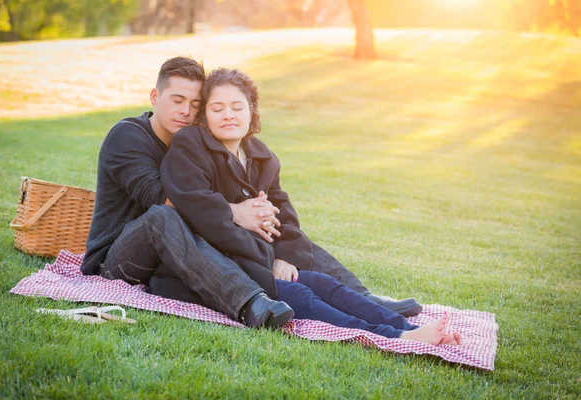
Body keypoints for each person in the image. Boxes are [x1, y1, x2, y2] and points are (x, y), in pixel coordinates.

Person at [81, 56, 421, 330]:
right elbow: (168, 200)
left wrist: (262, 222)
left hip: (181, 251)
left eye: (195, 103)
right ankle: (251, 301)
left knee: (270, 224)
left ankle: (363, 297)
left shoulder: (199, 144)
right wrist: (236, 211)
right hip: (123, 257)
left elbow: (254, 208)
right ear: (156, 97)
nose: (186, 110)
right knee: (163, 217)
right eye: (177, 100)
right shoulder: (128, 136)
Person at [160, 68, 461, 344]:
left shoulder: (261, 156)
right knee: (302, 295)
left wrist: (285, 255)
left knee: (328, 285)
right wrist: (242, 220)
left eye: (237, 107)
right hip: (215, 268)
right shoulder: (190, 143)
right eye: (217, 108)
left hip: (258, 261)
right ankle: (392, 336)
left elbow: (283, 211)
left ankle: (408, 329)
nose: (228, 115)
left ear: (251, 111)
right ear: (205, 116)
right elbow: (192, 201)